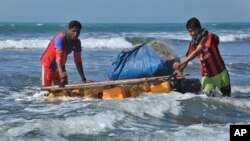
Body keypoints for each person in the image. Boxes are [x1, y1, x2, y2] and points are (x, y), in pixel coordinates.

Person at [173, 17, 231, 96]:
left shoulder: (208, 36)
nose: (192, 33)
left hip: (221, 73)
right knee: (209, 100)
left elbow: (198, 51)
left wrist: (180, 63)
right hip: (207, 77)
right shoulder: (192, 44)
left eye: (194, 30)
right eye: (190, 31)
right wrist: (179, 69)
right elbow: (187, 58)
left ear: (199, 28)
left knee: (227, 97)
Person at [40, 20, 88, 87]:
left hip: (61, 65)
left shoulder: (77, 42)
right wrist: (61, 72)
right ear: (69, 30)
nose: (76, 34)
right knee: (46, 88)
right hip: (48, 64)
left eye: (78, 31)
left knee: (64, 89)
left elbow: (78, 61)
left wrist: (83, 79)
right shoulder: (60, 38)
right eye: (73, 31)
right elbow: (58, 56)